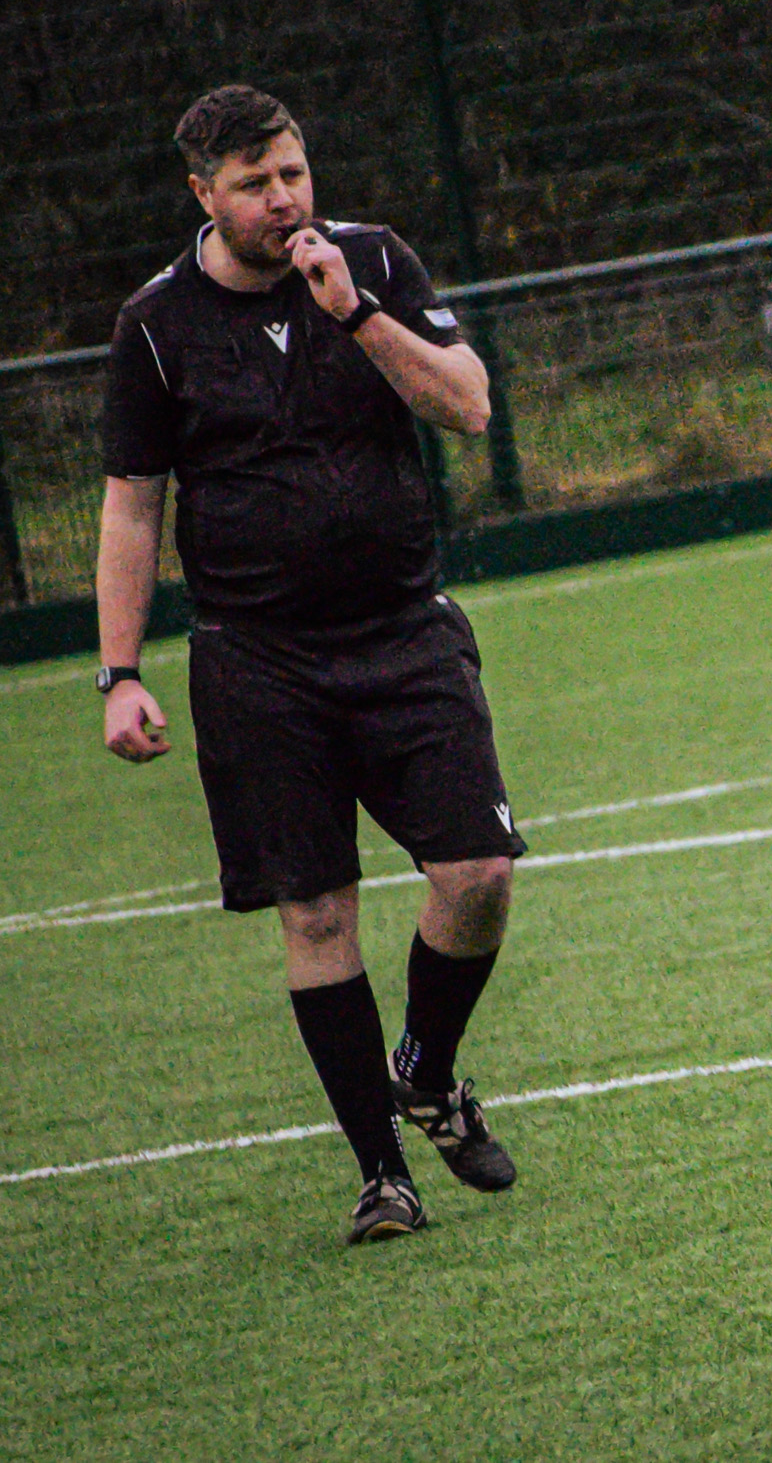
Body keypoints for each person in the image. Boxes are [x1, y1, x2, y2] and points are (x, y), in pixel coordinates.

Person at [96, 85, 527, 1245]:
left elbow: (471, 408)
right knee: (317, 915)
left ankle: (428, 1071)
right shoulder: (154, 324)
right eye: (253, 184)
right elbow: (134, 506)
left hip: (402, 631)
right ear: (203, 195)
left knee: (479, 871)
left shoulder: (373, 263)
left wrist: (358, 319)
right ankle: (382, 1172)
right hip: (258, 663)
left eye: (291, 172)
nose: (283, 200)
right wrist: (119, 669)